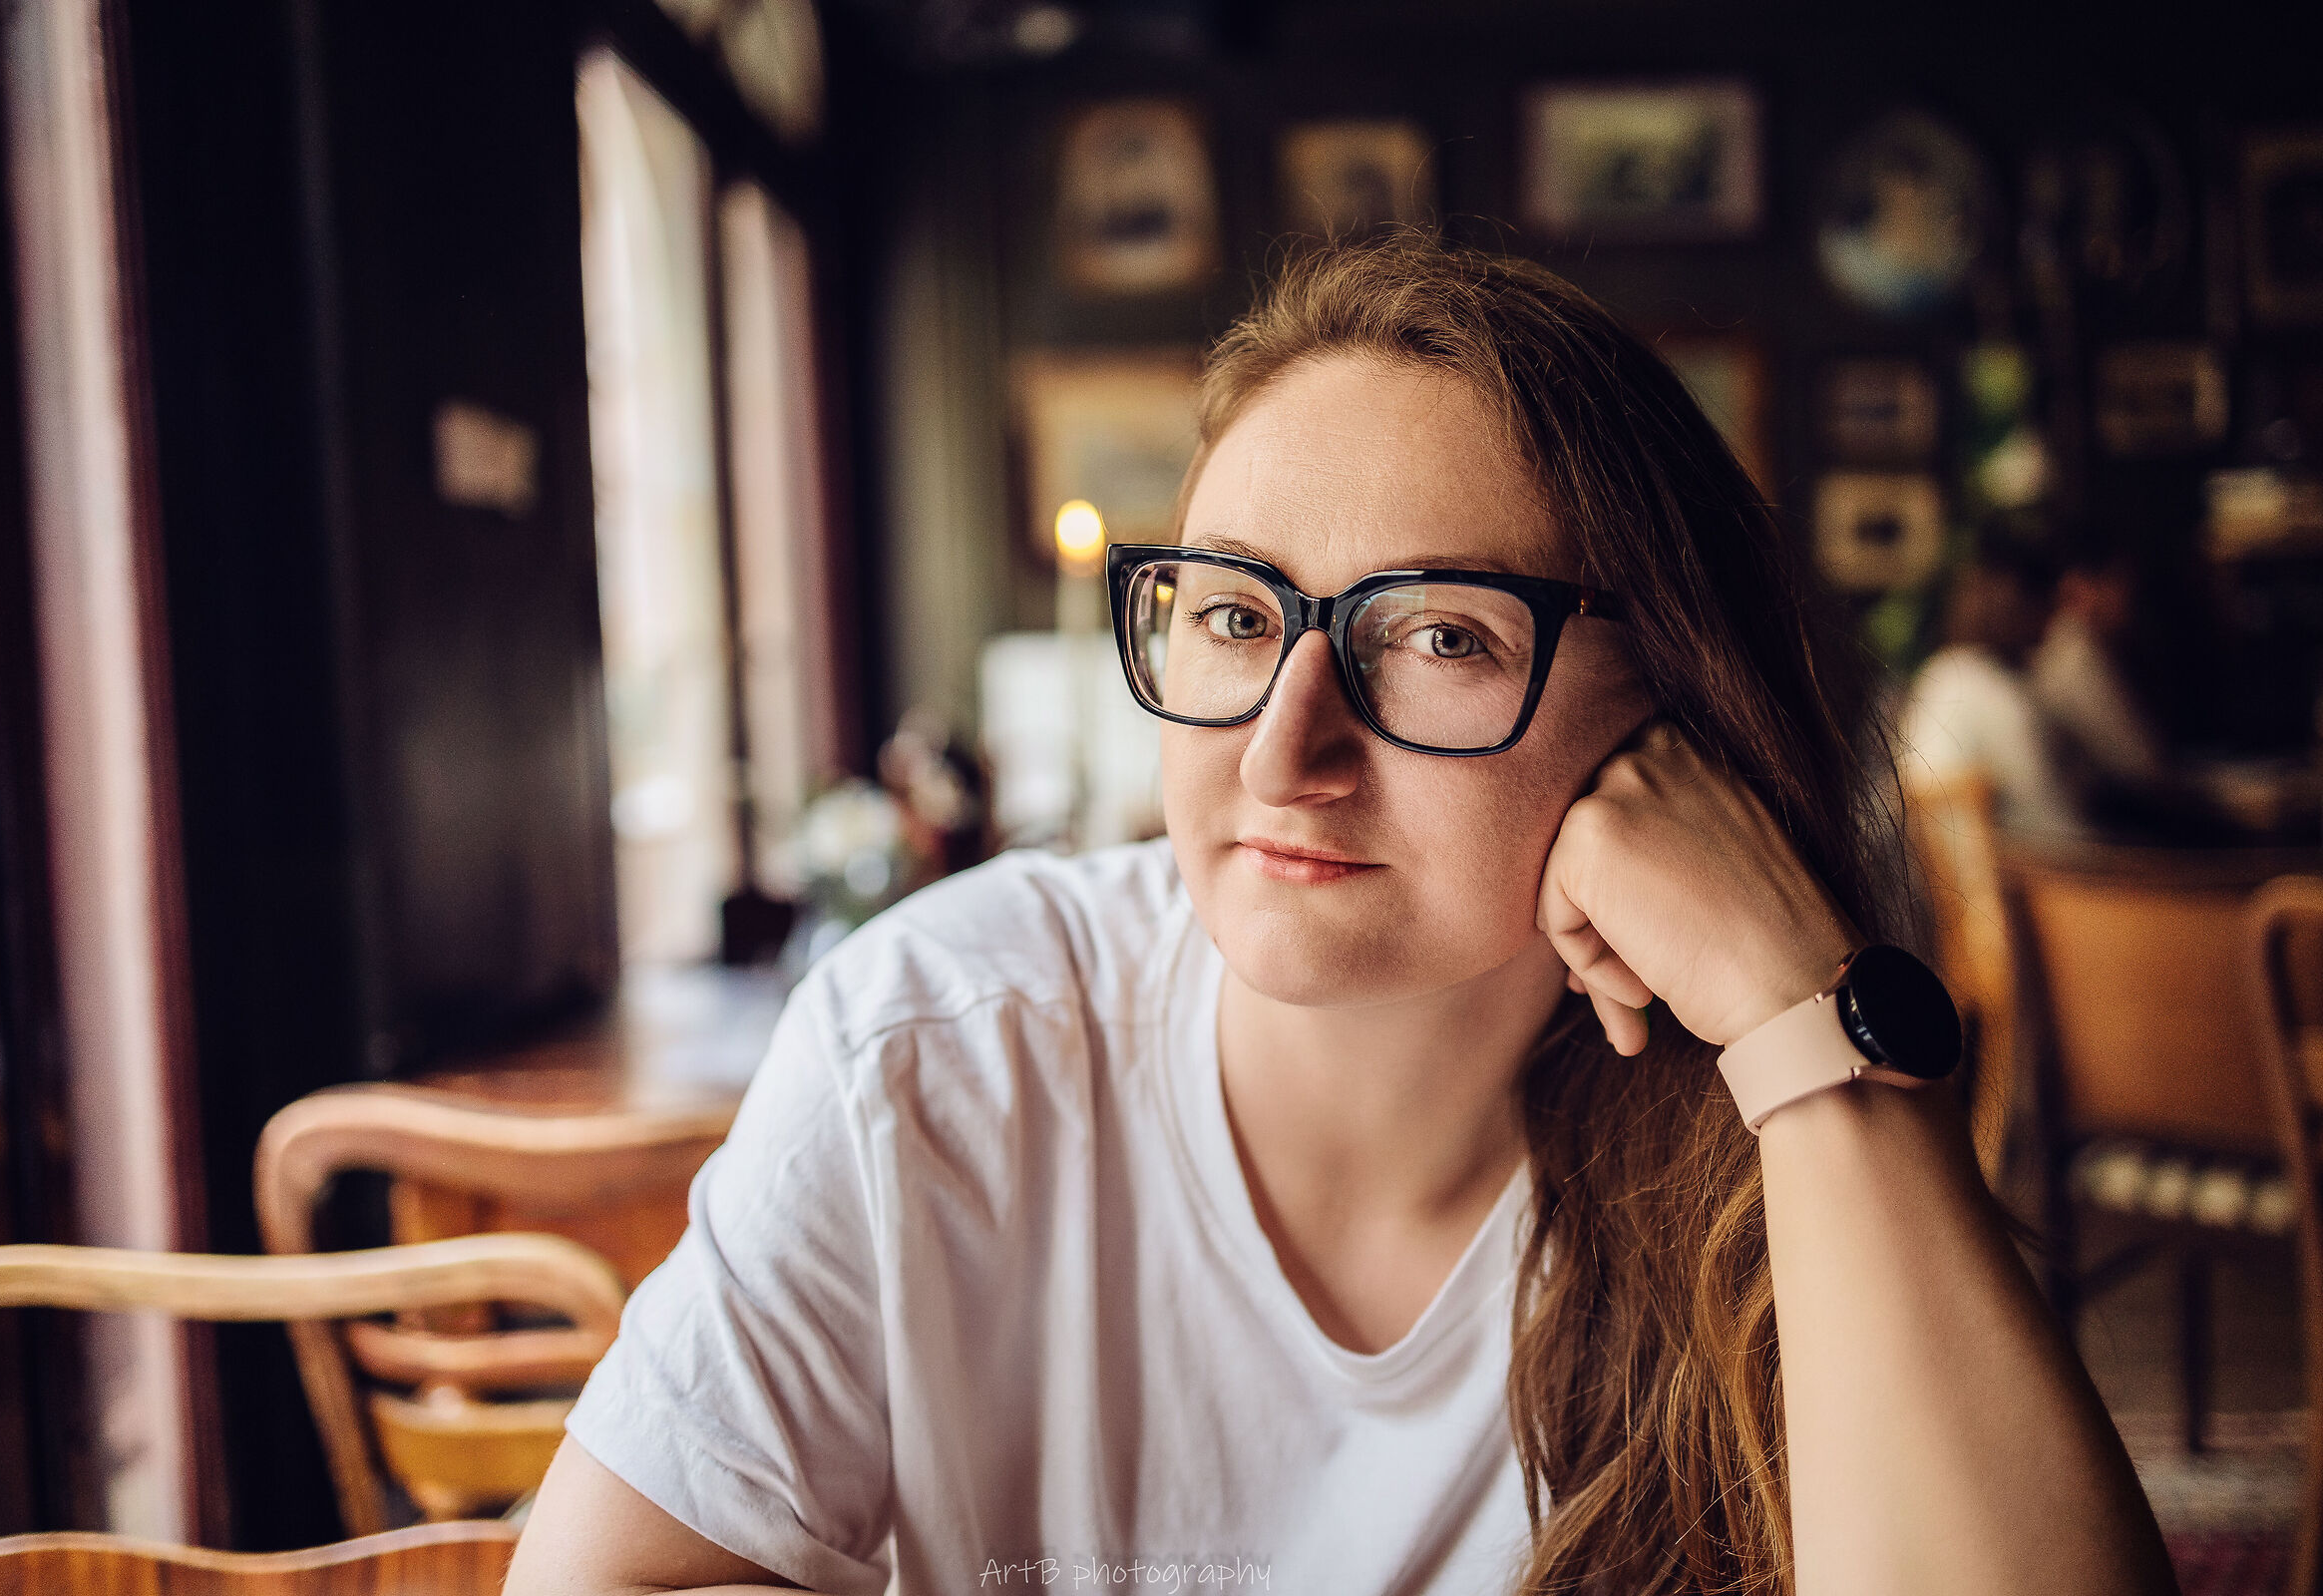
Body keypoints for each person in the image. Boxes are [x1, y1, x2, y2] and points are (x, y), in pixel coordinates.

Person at [509, 237, 2171, 1596]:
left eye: (1441, 637)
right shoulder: (940, 1047)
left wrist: (1796, 1008)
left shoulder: (1760, 1137)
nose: (1285, 750)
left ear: (1669, 713)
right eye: (1234, 614)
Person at [1897, 536, 2089, 840]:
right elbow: (2048, 822)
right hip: (2005, 880)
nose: (2057, 622)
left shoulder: (1947, 670)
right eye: (2051, 607)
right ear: (2025, 607)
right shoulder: (1988, 689)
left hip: (1948, 879)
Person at [2033, 545, 2165, 790]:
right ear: (2079, 585)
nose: (2126, 602)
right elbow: (2137, 763)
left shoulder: (2070, 643)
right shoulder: (2073, 652)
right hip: (2083, 817)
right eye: (2118, 585)